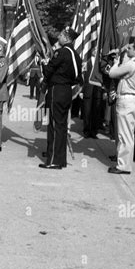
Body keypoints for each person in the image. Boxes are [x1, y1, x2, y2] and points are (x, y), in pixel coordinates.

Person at [39, 26, 82, 169]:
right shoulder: (75, 54)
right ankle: (60, 159)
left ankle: (53, 161)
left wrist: (43, 63)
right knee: (62, 126)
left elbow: (48, 71)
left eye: (62, 35)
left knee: (55, 126)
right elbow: (78, 78)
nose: (59, 37)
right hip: (66, 91)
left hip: (57, 90)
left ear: (67, 38)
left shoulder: (61, 52)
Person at [107, 38, 135, 174]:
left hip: (127, 100)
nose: (127, 50)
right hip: (131, 99)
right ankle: (123, 163)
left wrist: (116, 61)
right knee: (127, 135)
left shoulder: (132, 64)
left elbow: (112, 73)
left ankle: (123, 166)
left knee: (124, 136)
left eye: (130, 48)